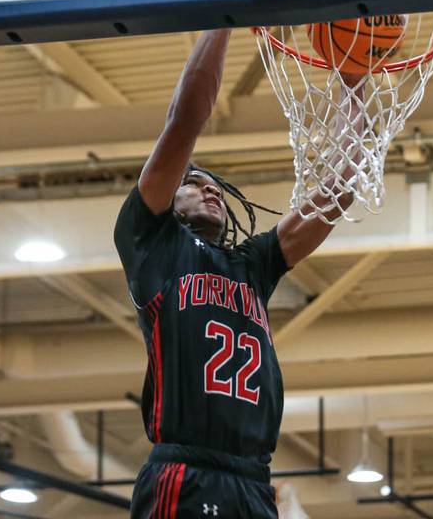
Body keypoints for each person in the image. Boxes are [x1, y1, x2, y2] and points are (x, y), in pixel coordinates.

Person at [114, 29, 355, 518]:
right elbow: (184, 122)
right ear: (167, 197)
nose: (212, 192)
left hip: (253, 480)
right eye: (195, 184)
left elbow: (340, 187)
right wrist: (224, 19)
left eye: (216, 188)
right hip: (184, 475)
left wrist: (354, 72)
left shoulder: (250, 266)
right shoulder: (151, 244)